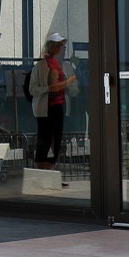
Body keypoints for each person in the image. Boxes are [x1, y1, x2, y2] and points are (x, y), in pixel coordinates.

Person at [29, 32, 75, 170]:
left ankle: (51, 169)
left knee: (57, 139)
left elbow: (75, 89)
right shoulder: (40, 67)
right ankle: (42, 170)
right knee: (44, 139)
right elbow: (33, 89)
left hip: (60, 107)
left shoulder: (67, 67)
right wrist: (48, 88)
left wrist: (67, 88)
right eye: (60, 46)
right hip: (44, 108)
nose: (63, 49)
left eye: (64, 46)